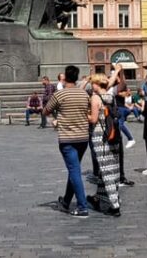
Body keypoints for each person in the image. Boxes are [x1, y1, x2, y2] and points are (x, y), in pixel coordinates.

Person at [45, 65, 91, 218]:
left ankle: (82, 206)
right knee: (74, 169)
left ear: (65, 77)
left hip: (68, 138)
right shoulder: (84, 94)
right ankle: (66, 201)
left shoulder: (60, 95)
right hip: (83, 137)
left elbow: (46, 110)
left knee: (74, 171)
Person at [86, 71, 122, 217]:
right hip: (113, 135)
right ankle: (99, 197)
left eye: (92, 83)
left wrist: (83, 113)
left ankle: (115, 205)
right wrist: (118, 71)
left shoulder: (95, 98)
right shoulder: (110, 96)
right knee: (110, 168)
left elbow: (93, 119)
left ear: (96, 84)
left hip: (100, 137)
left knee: (106, 170)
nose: (91, 85)